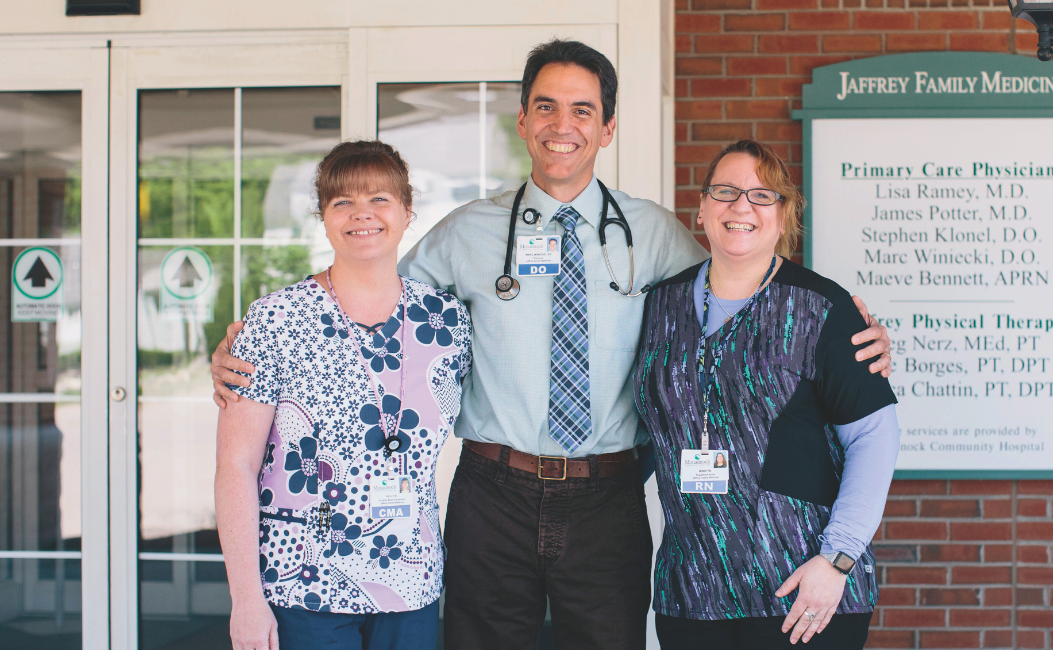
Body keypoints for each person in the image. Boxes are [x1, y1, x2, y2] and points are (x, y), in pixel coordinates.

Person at [210, 40, 893, 650]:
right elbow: (370, 290)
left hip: (608, 497)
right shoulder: (466, 233)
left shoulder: (654, 234)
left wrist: (842, 321)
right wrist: (260, 336)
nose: (562, 126)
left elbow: (736, 283)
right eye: (546, 107)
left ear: (608, 127)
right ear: (524, 122)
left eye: (582, 110)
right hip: (491, 492)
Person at [634, 140, 899, 650]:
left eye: (762, 195)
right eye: (726, 191)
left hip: (803, 590)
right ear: (704, 207)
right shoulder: (660, 306)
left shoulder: (823, 307)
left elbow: (874, 435)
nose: (741, 206)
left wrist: (837, 559)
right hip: (691, 593)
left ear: (785, 216)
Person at [214, 141, 471, 650]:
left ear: (406, 210)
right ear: (323, 216)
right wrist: (246, 600)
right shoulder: (275, 321)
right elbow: (235, 468)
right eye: (342, 203)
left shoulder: (448, 323)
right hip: (302, 585)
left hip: (410, 581)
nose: (362, 215)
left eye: (379, 199)